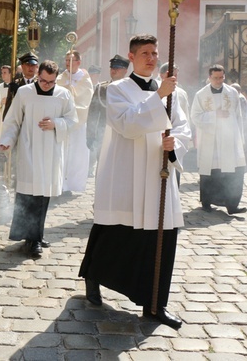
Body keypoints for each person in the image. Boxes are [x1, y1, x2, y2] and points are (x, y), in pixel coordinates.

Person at [79, 34, 191, 330]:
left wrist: (174, 143)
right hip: (126, 172)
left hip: (158, 175)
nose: (152, 58)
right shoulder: (117, 89)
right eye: (145, 53)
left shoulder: (173, 93)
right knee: (117, 233)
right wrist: (158, 96)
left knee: (161, 238)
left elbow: (182, 126)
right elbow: (127, 125)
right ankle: (94, 275)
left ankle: (155, 305)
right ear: (131, 57)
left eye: (154, 52)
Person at [0, 60, 76, 258]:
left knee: (43, 196)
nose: (46, 85)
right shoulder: (24, 92)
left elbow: (72, 120)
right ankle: (31, 240)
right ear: (38, 75)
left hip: (51, 152)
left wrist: (56, 123)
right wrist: (7, 140)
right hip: (29, 149)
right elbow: (13, 120)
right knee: (29, 195)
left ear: (56, 79)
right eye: (42, 80)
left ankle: (37, 234)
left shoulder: (63, 94)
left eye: (50, 82)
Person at [191, 64, 247, 215]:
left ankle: (232, 205)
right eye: (215, 78)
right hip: (210, 140)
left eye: (221, 77)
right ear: (209, 77)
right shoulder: (201, 95)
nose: (219, 80)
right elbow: (195, 117)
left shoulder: (233, 92)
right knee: (210, 172)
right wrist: (215, 115)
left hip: (229, 138)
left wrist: (241, 139)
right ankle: (207, 202)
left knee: (232, 172)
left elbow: (239, 116)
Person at [57, 50, 94, 195]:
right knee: (62, 152)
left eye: (71, 60)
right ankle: (60, 183)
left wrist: (72, 92)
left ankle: (72, 184)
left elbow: (86, 100)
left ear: (79, 62)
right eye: (66, 60)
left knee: (75, 154)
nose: (67, 63)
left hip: (78, 121)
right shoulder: (61, 77)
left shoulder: (85, 79)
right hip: (62, 121)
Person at [86, 54, 129, 174]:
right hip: (104, 135)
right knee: (103, 170)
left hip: (124, 136)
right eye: (112, 67)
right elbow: (93, 113)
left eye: (118, 68)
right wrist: (90, 135)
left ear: (125, 70)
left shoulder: (131, 89)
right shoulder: (102, 88)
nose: (114, 70)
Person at [3, 53, 39, 119]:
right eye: (28, 65)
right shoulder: (16, 83)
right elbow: (9, 104)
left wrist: (20, 90)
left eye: (33, 65)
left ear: (37, 66)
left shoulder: (40, 83)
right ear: (22, 66)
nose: (30, 67)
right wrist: (6, 119)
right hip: (19, 118)